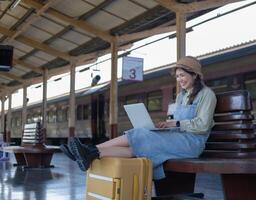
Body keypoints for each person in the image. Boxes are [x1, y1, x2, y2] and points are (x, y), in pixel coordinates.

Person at [60, 56, 217, 180]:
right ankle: (92, 154)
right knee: (135, 147)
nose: (179, 80)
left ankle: (90, 149)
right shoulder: (182, 96)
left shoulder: (207, 95)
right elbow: (177, 121)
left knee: (140, 134)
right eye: (177, 76)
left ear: (195, 75)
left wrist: (176, 122)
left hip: (192, 144)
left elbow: (203, 125)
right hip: (177, 139)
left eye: (182, 75)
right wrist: (166, 124)